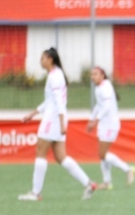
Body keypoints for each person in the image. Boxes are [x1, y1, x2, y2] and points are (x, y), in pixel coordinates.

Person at [19, 48, 98, 201]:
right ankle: (88, 183)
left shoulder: (55, 76)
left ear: (50, 59)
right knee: (61, 157)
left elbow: (59, 102)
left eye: (43, 58)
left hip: (53, 119)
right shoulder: (56, 75)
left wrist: (62, 123)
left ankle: (36, 194)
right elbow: (50, 101)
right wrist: (33, 114)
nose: (41, 61)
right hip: (56, 118)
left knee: (40, 152)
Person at [86, 67, 135, 190]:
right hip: (104, 124)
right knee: (102, 155)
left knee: (102, 154)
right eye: (92, 75)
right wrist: (92, 119)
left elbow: (107, 106)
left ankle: (128, 169)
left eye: (96, 74)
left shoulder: (106, 86)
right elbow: (99, 105)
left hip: (110, 125)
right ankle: (107, 182)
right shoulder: (98, 88)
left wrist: (95, 121)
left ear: (103, 75)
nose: (93, 77)